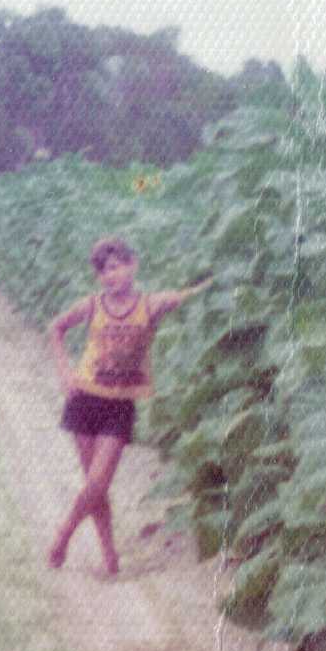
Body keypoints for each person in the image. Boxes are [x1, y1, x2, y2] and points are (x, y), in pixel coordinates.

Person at [42, 237, 211, 575]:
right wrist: (65, 371)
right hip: (85, 400)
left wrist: (208, 281)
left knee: (97, 483)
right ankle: (109, 555)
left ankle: (64, 534)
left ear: (133, 265)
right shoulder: (91, 305)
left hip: (119, 407)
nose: (110, 276)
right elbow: (56, 328)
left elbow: (186, 295)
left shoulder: (150, 306)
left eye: (116, 267)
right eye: (104, 271)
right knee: (97, 487)